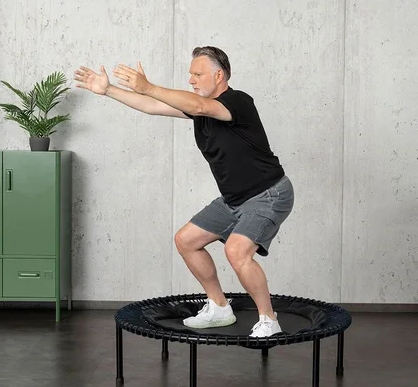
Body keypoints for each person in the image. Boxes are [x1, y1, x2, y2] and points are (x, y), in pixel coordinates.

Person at [74, 46, 294, 337]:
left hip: (268, 194)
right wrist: (108, 90)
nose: (191, 79)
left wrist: (150, 86)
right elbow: (152, 106)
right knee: (186, 240)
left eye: (198, 74)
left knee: (236, 251)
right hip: (234, 200)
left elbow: (200, 106)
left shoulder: (238, 102)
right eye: (190, 74)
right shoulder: (197, 109)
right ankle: (219, 307)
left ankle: (269, 319)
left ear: (219, 75)